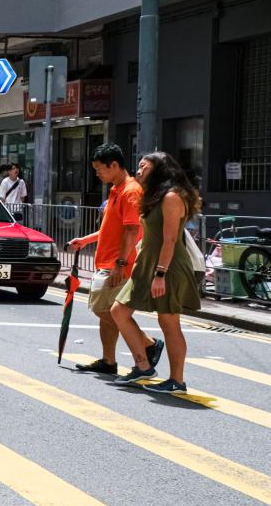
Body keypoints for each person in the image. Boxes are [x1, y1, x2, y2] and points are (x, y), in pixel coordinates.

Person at [110, 151, 202, 394]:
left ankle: (177, 381)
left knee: (169, 321)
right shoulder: (153, 196)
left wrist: (160, 274)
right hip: (146, 263)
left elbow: (170, 240)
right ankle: (143, 365)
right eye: (138, 167)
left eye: (144, 167)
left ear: (159, 171)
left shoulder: (172, 197)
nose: (138, 171)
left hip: (167, 266)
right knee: (119, 311)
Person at [67, 143, 162, 376]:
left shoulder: (130, 191)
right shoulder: (116, 189)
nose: (97, 173)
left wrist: (121, 263)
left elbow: (131, 230)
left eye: (100, 169)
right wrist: (86, 240)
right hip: (109, 262)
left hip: (120, 265)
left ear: (115, 165)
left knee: (108, 311)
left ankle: (149, 344)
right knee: (106, 311)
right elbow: (110, 230)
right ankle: (109, 360)